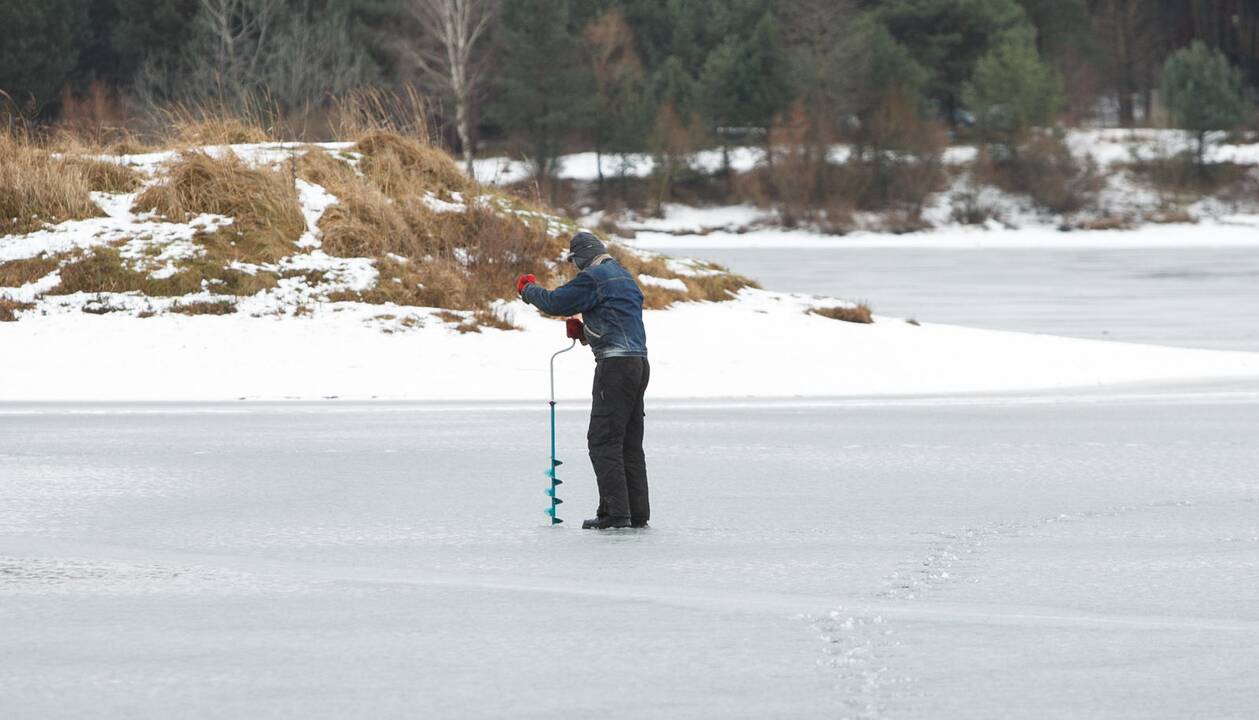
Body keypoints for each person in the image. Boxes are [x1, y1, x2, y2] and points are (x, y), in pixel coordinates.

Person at [516, 232, 650, 530]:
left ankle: (615, 515)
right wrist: (587, 333)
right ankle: (637, 514)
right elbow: (619, 322)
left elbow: (554, 302)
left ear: (581, 257)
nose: (577, 268)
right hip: (639, 364)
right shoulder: (624, 277)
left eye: (575, 262)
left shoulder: (594, 276)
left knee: (603, 441)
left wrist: (528, 290)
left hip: (615, 367)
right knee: (629, 443)